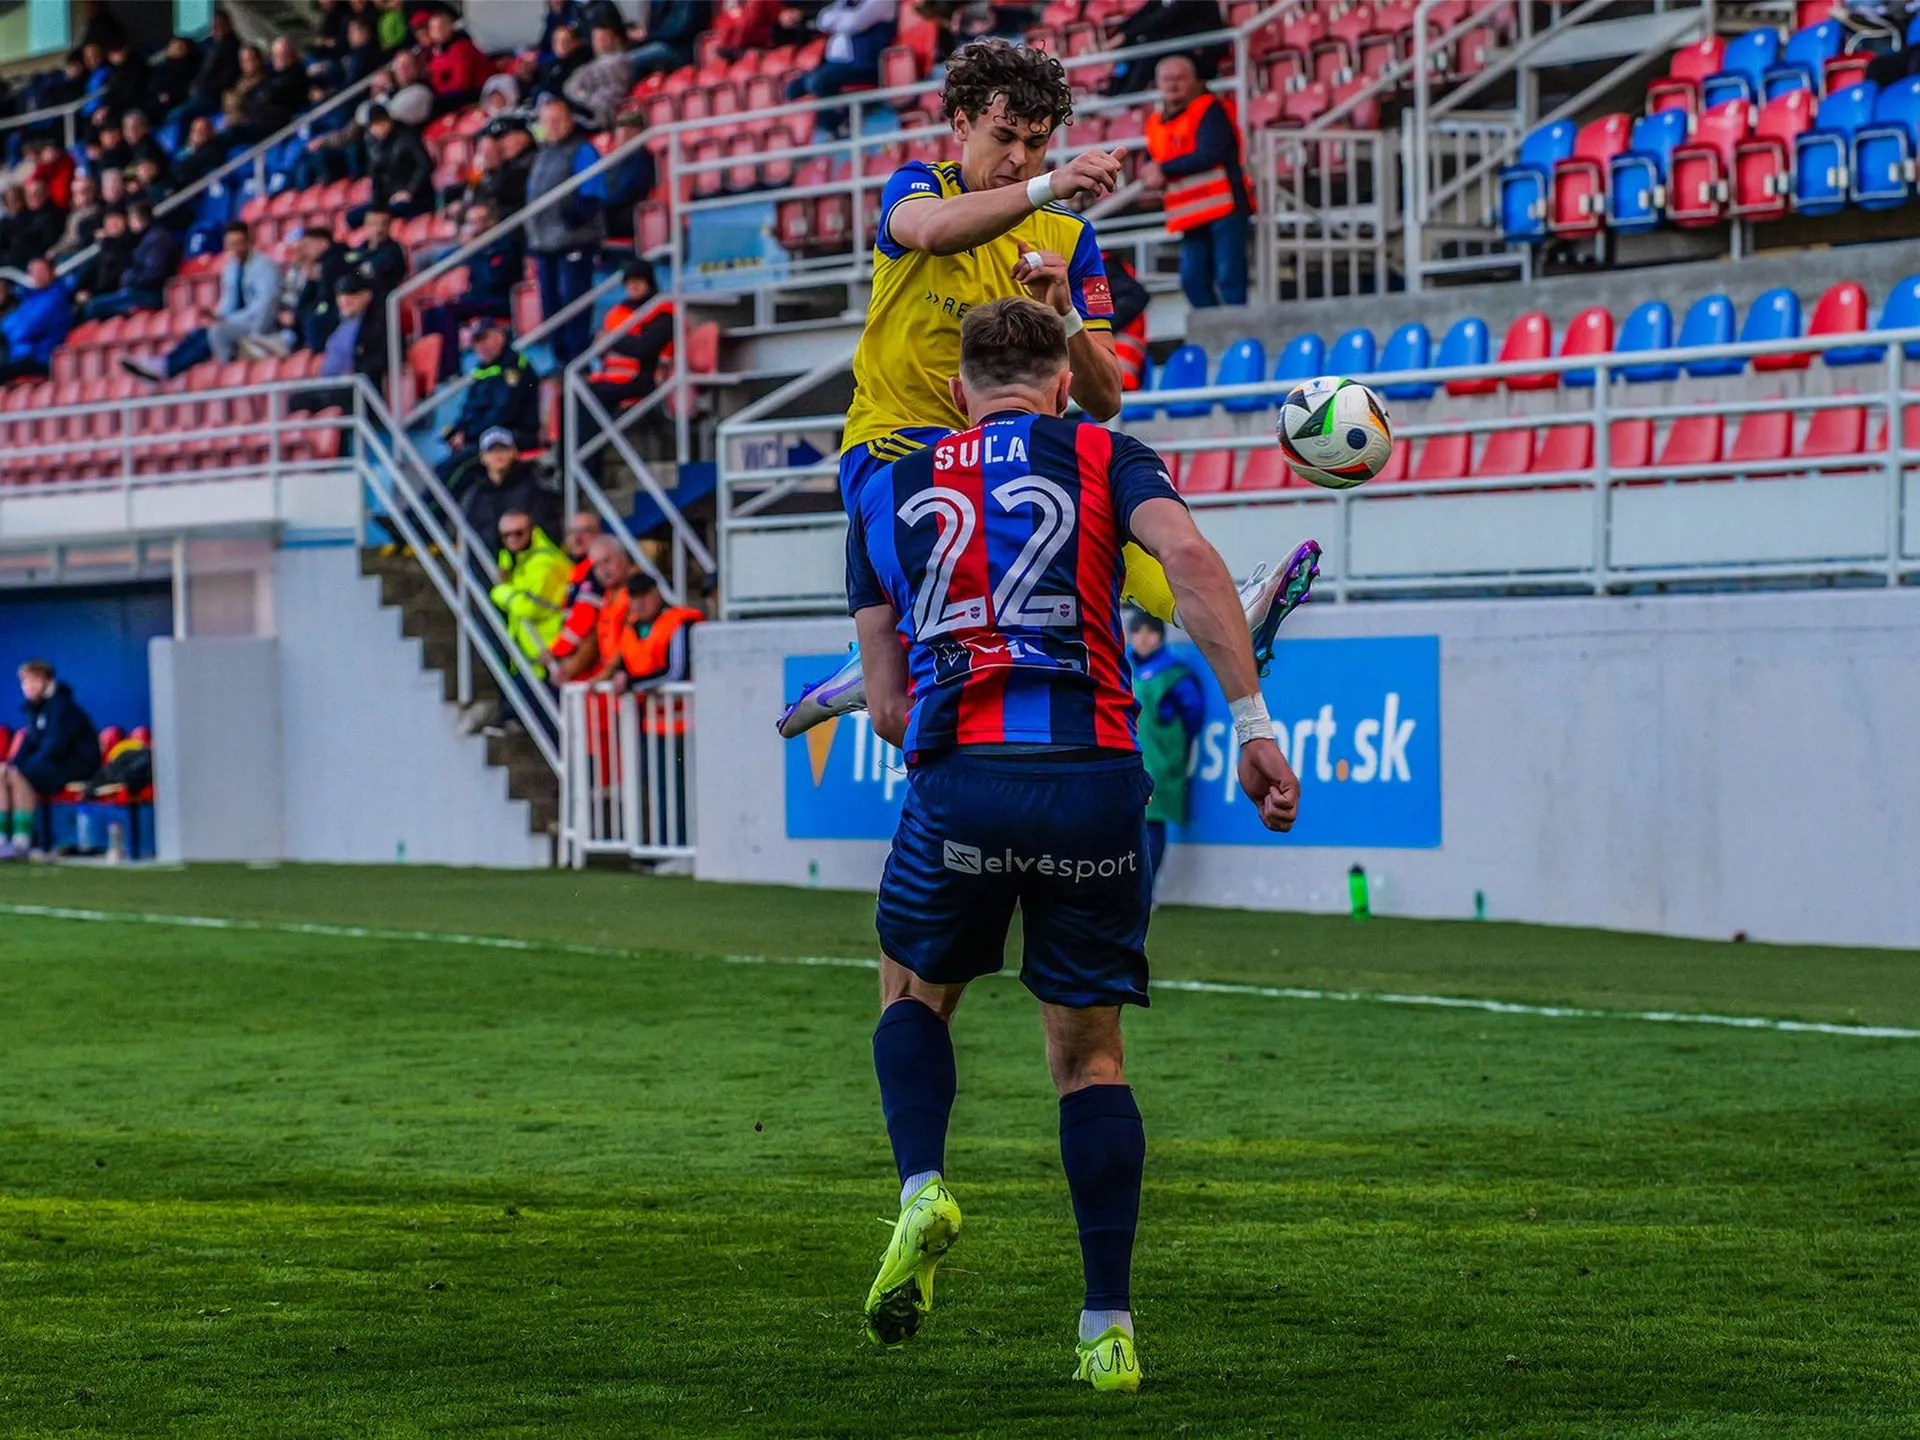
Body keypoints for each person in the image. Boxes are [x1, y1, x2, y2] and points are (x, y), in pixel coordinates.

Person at [844, 297, 1299, 1390]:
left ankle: (922, 1186)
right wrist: (1252, 726)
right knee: (1089, 1058)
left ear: (956, 390)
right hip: (1097, 786)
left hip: (965, 785)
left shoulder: (884, 487)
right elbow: (1187, 558)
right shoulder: (1106, 451)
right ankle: (1107, 1329)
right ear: (1060, 384)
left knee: (909, 989)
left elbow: (890, 708)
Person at [776, 38, 1318, 738]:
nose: (1019, 160)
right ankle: (886, 650)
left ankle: (1210, 611)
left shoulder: (1068, 236)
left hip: (1003, 450)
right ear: (961, 123)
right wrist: (1049, 183)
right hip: (894, 445)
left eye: (1037, 145)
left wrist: (1063, 307)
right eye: (1005, 137)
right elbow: (935, 235)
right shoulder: (917, 189)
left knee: (1086, 492)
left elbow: (1105, 397)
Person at [1142, 55, 1252, 310]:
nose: (1173, 85)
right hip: (1190, 214)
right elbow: (1152, 162)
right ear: (1157, 84)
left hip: (1225, 208)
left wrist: (1163, 169)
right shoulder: (1154, 123)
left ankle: (1237, 336)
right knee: (1192, 280)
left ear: (1194, 81)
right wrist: (1153, 173)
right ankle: (1214, 334)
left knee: (1229, 277)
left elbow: (1209, 153)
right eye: (1167, 80)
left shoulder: (1209, 109)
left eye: (1179, 78)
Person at [121, 221, 280, 382]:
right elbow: (229, 301)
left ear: (249, 242)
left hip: (258, 324)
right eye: (231, 245)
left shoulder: (265, 267)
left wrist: (227, 320)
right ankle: (165, 363)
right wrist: (217, 315)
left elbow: (263, 307)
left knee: (215, 331)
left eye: (239, 244)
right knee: (201, 331)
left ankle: (167, 367)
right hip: (235, 323)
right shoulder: (231, 268)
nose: (236, 249)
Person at [524, 90, 605, 367]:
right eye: (548, 121)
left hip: (574, 239)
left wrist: (573, 216)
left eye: (558, 120)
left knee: (573, 299)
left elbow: (592, 191)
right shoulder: (542, 155)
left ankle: (577, 358)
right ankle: (560, 359)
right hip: (544, 242)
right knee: (551, 304)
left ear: (570, 120)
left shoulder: (582, 149)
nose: (553, 126)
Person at [1124, 611, 1204, 892]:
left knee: (1152, 822)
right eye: (1138, 632)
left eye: (1150, 632)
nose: (1143, 639)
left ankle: (1145, 888)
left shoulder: (1174, 673)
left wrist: (1172, 740)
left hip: (1158, 758)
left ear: (1160, 636)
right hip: (1126, 754)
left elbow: (1193, 712)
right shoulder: (1123, 666)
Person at [2, 661, 102, 860]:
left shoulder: (62, 707)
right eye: (25, 682)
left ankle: (21, 842)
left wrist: (22, 769)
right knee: (4, 772)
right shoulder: (34, 710)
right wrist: (11, 766)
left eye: (34, 680)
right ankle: (3, 840)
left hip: (77, 765)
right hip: (53, 764)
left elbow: (55, 745)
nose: (29, 686)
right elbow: (29, 744)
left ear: (48, 682)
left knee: (21, 775)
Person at [418, 199, 519, 380]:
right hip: (478, 297)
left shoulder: (504, 244)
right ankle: (431, 372)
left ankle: (450, 370)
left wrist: (474, 251)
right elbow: (438, 261)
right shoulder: (475, 246)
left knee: (450, 311)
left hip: (501, 299)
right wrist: (469, 248)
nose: (476, 226)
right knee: (431, 314)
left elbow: (493, 280)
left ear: (493, 221)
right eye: (472, 222)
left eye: (481, 220)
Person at [439, 320, 540, 489]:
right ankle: (415, 514)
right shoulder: (483, 370)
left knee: (455, 469)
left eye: (484, 339)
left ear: (499, 336)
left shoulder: (513, 367)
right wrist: (458, 430)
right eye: (476, 342)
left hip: (514, 435)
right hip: (484, 435)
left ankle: (419, 515)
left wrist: (469, 434)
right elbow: (470, 408)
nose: (480, 347)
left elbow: (504, 413)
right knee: (446, 469)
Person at [488, 507, 571, 691]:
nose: (512, 539)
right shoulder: (518, 561)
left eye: (518, 533)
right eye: (506, 535)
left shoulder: (544, 562)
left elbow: (530, 608)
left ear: (532, 530)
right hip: (531, 660)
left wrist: (499, 591)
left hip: (552, 658)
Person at [786, 0, 897, 132]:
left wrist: (835, 20)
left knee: (821, 81)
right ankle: (809, 136)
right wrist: (840, 20)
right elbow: (823, 20)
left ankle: (836, 128)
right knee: (793, 88)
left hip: (865, 66)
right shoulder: (843, 2)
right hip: (834, 65)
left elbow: (855, 22)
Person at [289, 271, 387, 412]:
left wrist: (356, 371)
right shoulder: (338, 322)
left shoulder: (378, 324)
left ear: (367, 295)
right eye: (341, 295)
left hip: (357, 388)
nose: (345, 300)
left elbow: (383, 357)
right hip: (331, 384)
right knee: (297, 399)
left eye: (352, 295)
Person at [586, 258, 672, 419]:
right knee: (576, 395)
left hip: (646, 379)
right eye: (629, 282)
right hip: (610, 377)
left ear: (649, 283)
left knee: (590, 396)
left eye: (638, 281)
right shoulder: (616, 313)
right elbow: (599, 348)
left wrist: (611, 340)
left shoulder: (662, 313)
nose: (633, 286)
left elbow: (643, 348)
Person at [462, 427, 559, 548]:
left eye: (503, 449)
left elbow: (546, 527)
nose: (498, 455)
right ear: (482, 457)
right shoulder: (475, 495)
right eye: (491, 450)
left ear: (514, 452)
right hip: (487, 561)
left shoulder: (532, 486)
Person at [1103, 0, 1225, 94]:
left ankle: (1128, 97)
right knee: (1132, 46)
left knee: (1148, 46)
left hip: (1200, 55)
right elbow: (1142, 14)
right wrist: (1118, 35)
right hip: (1176, 48)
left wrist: (1126, 36)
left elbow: (1163, 18)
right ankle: (1114, 92)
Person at [548, 510, 607, 681]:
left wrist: (557, 652)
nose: (577, 538)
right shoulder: (578, 572)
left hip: (594, 668)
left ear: (600, 534)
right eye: (571, 532)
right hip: (582, 667)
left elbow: (584, 619)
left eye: (585, 531)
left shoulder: (596, 569)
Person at [0, 260, 72, 383]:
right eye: (33, 272)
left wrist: (8, 330)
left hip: (40, 358)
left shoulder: (56, 297)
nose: (37, 275)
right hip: (18, 355)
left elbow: (25, 330)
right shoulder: (29, 297)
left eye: (41, 271)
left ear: (51, 273)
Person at [363, 102, 434, 217]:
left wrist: (409, 191)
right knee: (355, 216)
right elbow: (376, 176)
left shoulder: (407, 137)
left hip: (415, 195)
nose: (379, 128)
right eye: (374, 125)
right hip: (389, 197)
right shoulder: (373, 145)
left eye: (381, 122)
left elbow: (425, 165)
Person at [563, 18, 634, 131]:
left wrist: (585, 96)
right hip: (589, 111)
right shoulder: (591, 65)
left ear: (616, 39)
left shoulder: (620, 61)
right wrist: (586, 96)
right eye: (596, 38)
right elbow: (569, 87)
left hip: (608, 119)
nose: (599, 42)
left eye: (603, 38)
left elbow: (614, 95)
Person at [628, 0, 714, 83]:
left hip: (682, 50)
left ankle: (628, 95)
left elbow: (679, 30)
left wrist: (647, 36)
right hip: (666, 44)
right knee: (625, 54)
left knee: (630, 60)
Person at [423, 9, 491, 114]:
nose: (438, 31)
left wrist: (439, 91)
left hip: (476, 91)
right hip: (452, 93)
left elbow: (462, 82)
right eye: (433, 28)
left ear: (450, 26)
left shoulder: (462, 47)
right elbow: (435, 78)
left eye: (441, 26)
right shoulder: (435, 52)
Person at [341, 202, 408, 298]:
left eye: (384, 224)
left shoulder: (393, 251)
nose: (379, 229)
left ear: (389, 226)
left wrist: (354, 271)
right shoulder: (360, 249)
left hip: (383, 301)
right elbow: (345, 266)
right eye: (373, 224)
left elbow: (371, 272)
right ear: (365, 226)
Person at [475, 115, 535, 215]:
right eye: (497, 142)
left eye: (506, 138)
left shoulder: (534, 156)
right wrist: (492, 167)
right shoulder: (497, 172)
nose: (501, 145)